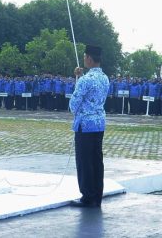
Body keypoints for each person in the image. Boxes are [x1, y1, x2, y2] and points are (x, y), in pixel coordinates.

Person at [69, 45, 109, 208]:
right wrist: (80, 76)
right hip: (99, 124)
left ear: (90, 59)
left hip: (85, 125)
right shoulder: (105, 78)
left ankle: (87, 196)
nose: (84, 59)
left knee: (84, 162)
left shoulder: (86, 80)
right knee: (96, 161)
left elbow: (73, 104)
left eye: (85, 57)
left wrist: (79, 79)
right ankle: (97, 195)